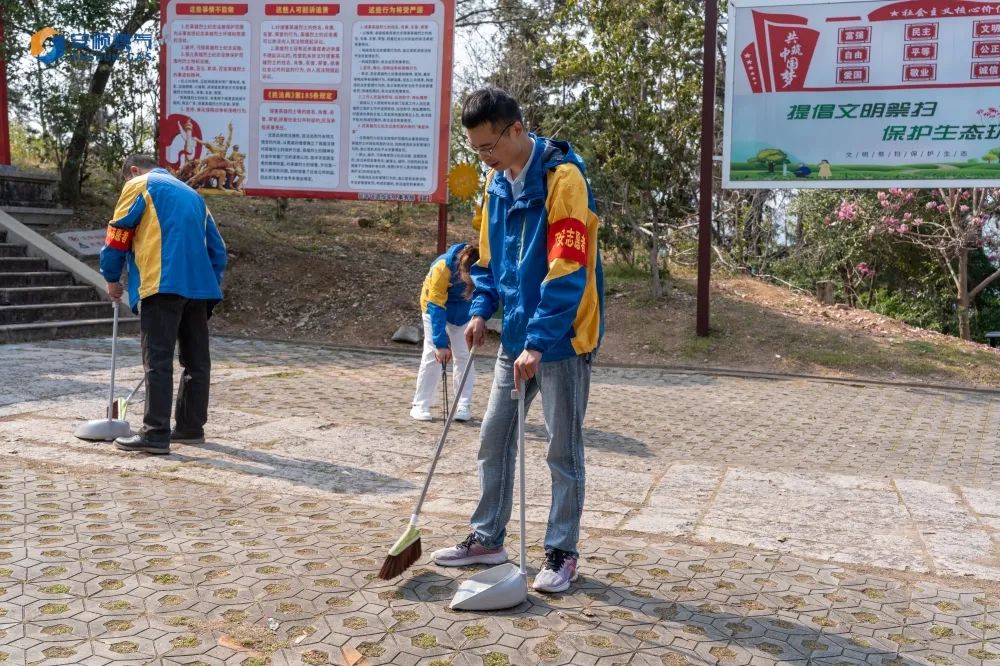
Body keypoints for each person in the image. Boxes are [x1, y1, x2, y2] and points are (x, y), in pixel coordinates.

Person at [431, 87, 605, 594]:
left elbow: (568, 267)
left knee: (561, 449)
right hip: (517, 337)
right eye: (476, 151)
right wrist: (483, 310)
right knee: (493, 436)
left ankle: (562, 552)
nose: (485, 158)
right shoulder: (496, 184)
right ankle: (487, 537)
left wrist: (541, 340)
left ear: (515, 130)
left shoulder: (564, 180)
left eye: (489, 147)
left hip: (563, 338)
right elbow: (488, 260)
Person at [100, 154, 228, 455]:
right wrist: (208, 282)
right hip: (199, 289)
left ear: (133, 170)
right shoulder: (193, 194)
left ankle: (155, 434)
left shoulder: (140, 185)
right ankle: (189, 428)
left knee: (157, 361)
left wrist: (111, 277)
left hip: (161, 283)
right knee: (196, 362)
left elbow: (118, 234)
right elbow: (218, 249)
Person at [411, 242, 479, 422]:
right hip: (434, 308)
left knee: (464, 354)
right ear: (461, 270)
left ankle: (463, 403)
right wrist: (441, 344)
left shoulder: (484, 264)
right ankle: (421, 404)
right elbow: (436, 306)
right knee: (433, 354)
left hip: (463, 312)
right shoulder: (443, 267)